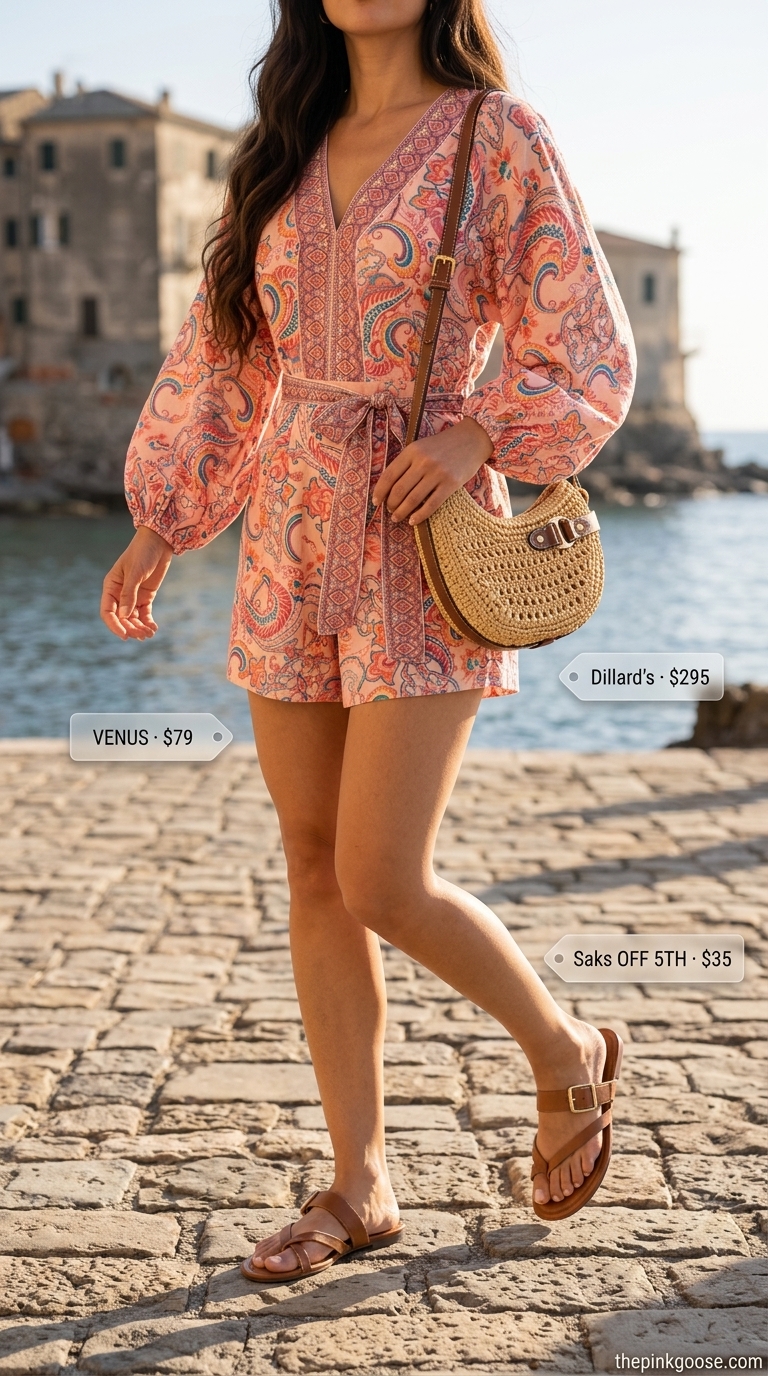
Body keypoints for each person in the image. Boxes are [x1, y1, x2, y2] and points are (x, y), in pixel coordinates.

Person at [101, 0, 635, 1282]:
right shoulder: (282, 141)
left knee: (382, 875)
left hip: (426, 527)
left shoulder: (496, 136)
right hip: (289, 531)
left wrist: (480, 437)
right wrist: (167, 521)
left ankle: (566, 1053)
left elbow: (588, 347)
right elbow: (228, 351)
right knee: (307, 863)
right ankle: (360, 1182)